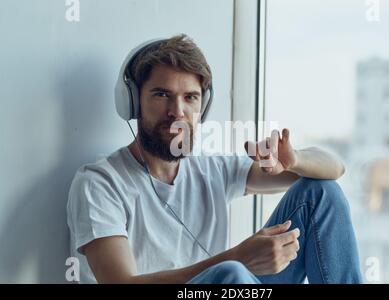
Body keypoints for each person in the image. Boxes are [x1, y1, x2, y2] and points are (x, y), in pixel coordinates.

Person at [67, 34, 363, 284]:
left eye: (190, 98)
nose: (177, 111)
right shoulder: (99, 182)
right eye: (161, 95)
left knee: (321, 192)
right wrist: (235, 258)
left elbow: (335, 168)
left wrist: (293, 158)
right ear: (132, 101)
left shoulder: (211, 169)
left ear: (202, 107)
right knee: (230, 273)